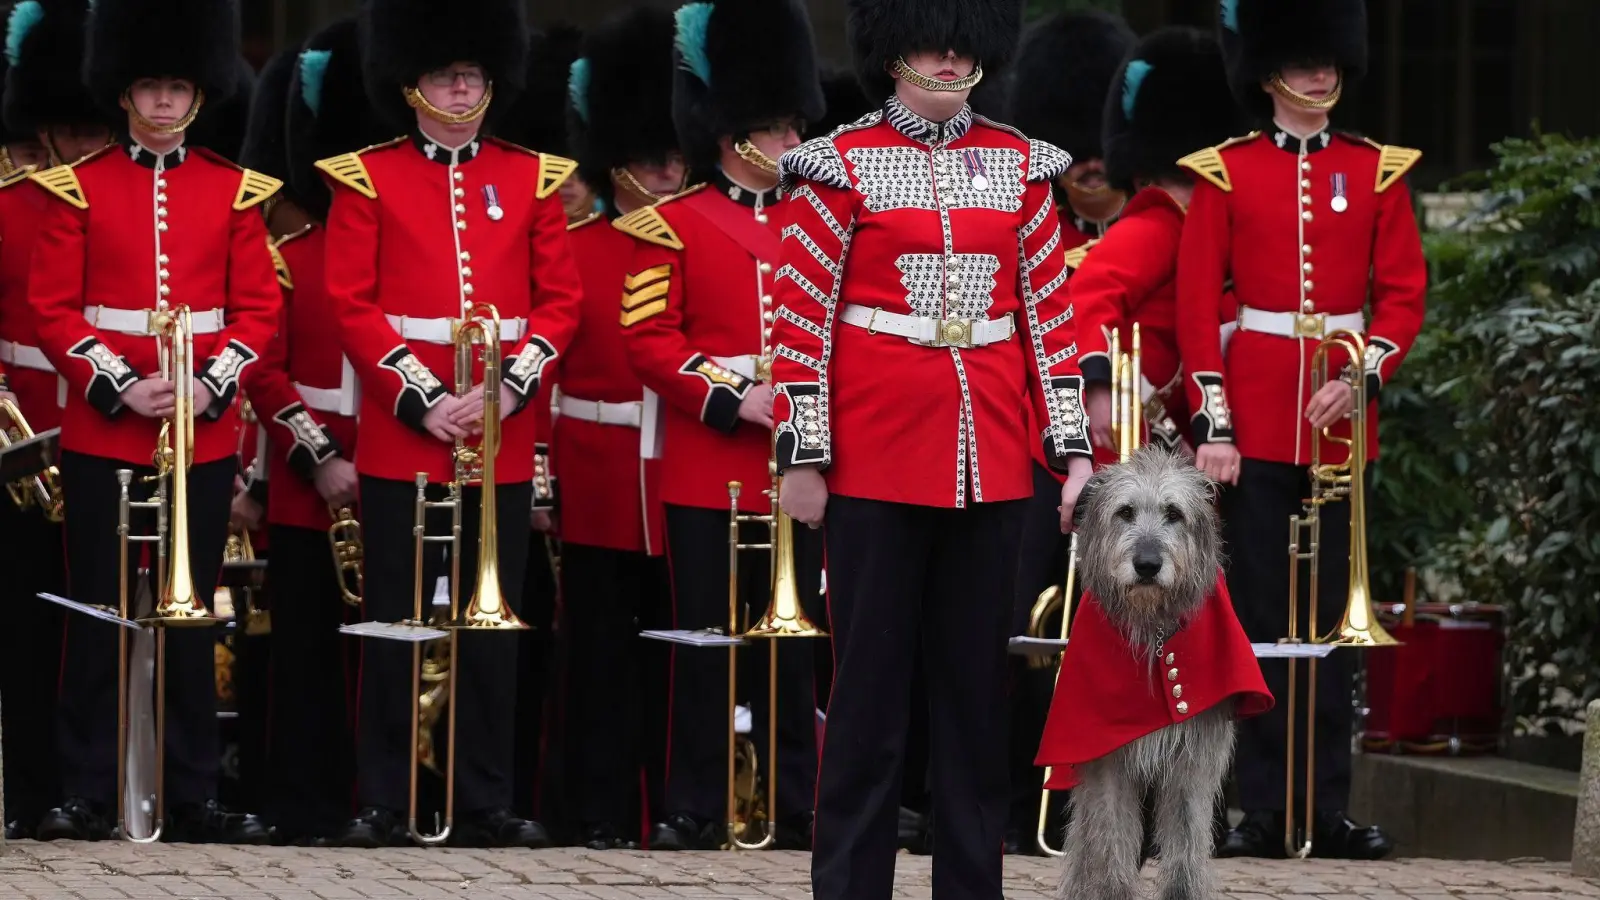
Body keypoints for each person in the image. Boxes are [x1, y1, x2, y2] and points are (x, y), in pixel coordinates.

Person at [771, 0, 1095, 896]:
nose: (949, 62)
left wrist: (1072, 454)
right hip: (874, 457)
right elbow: (801, 324)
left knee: (972, 703)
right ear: (893, 52)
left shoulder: (1021, 166)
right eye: (929, 46)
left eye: (963, 47)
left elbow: (1051, 325)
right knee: (870, 697)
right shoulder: (838, 166)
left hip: (989, 457)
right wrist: (802, 453)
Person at [321, 0, 583, 849]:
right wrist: (423, 399)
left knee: (489, 621)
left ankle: (484, 798)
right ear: (411, 84)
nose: (462, 83)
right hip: (410, 431)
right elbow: (352, 305)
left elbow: (561, 304)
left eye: (472, 71)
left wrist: (506, 391)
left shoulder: (533, 177)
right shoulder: (367, 178)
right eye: (445, 72)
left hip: (499, 432)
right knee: (399, 619)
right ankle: (385, 796)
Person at [1176, 0, 1427, 860]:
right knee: (1256, 623)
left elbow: (1400, 297)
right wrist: (1216, 423)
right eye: (1304, 61)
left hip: (1338, 430)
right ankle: (1259, 810)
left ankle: (1325, 809)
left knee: (1328, 629)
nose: (1322, 75)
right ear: (1268, 69)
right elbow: (1195, 307)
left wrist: (1359, 378)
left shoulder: (1376, 170)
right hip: (1251, 429)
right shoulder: (1225, 173)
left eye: (1330, 61)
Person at [27, 0, 279, 843]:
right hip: (108, 430)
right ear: (124, 92)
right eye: (150, 87)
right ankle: (88, 790)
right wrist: (118, 387)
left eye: (177, 87)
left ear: (199, 94)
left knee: (190, 610)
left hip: (200, 430)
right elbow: (54, 309)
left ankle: (193, 789)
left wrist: (209, 385)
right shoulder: (79, 187)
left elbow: (257, 314)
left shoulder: (234, 189)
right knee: (96, 611)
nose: (165, 102)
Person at [615, 0, 826, 853]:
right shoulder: (670, 224)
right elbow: (648, 339)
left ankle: (795, 796)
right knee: (704, 640)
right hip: (712, 460)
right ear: (731, 132)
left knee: (796, 638)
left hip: (801, 461)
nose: (788, 143)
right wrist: (732, 395)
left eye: (791, 126)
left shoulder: (822, 224)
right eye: (771, 129)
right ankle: (696, 801)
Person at [239, 17, 393, 846]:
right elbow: (262, 368)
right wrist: (320, 455)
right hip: (312, 488)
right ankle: (302, 801)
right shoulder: (292, 252)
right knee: (304, 651)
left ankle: (379, 798)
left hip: (399, 473)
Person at [996, 5, 1138, 855]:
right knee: (1019, 636)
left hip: (1122, 471)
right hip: (1026, 459)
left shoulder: (1152, 229)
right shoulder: (1026, 220)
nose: (1089, 166)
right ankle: (1003, 805)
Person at [555, 5, 683, 851]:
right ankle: (596, 812)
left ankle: (681, 804)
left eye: (676, 160)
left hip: (678, 479)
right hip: (597, 477)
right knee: (596, 659)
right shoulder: (574, 248)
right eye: (647, 162)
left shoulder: (704, 242)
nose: (666, 178)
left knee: (674, 661)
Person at [0, 0, 115, 839]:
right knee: (31, 631)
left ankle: (106, 786)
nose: (76, 149)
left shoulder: (128, 201)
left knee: (108, 628)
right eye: (63, 133)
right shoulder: (9, 205)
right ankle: (34, 789)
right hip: (22, 453)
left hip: (114, 441)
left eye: (87, 129)